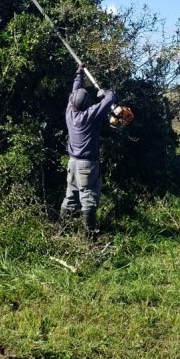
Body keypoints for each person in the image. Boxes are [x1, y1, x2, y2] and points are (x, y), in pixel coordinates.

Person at [59, 63, 117, 238]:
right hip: (87, 166)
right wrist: (104, 93)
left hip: (72, 164)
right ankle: (89, 238)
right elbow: (110, 98)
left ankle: (62, 232)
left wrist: (79, 73)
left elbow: (74, 92)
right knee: (88, 199)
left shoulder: (70, 113)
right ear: (86, 104)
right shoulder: (89, 116)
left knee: (70, 198)